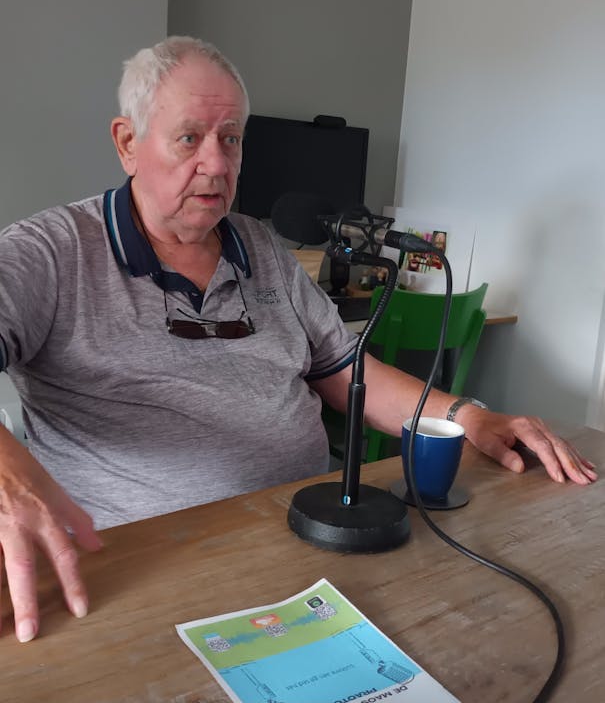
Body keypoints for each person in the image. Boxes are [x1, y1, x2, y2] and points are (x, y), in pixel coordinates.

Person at [0, 36, 596, 643]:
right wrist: (8, 480)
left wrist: (466, 416)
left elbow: (344, 371)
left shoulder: (259, 245)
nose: (217, 164)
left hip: (306, 543)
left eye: (231, 139)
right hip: (139, 570)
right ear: (128, 142)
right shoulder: (49, 251)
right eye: (189, 138)